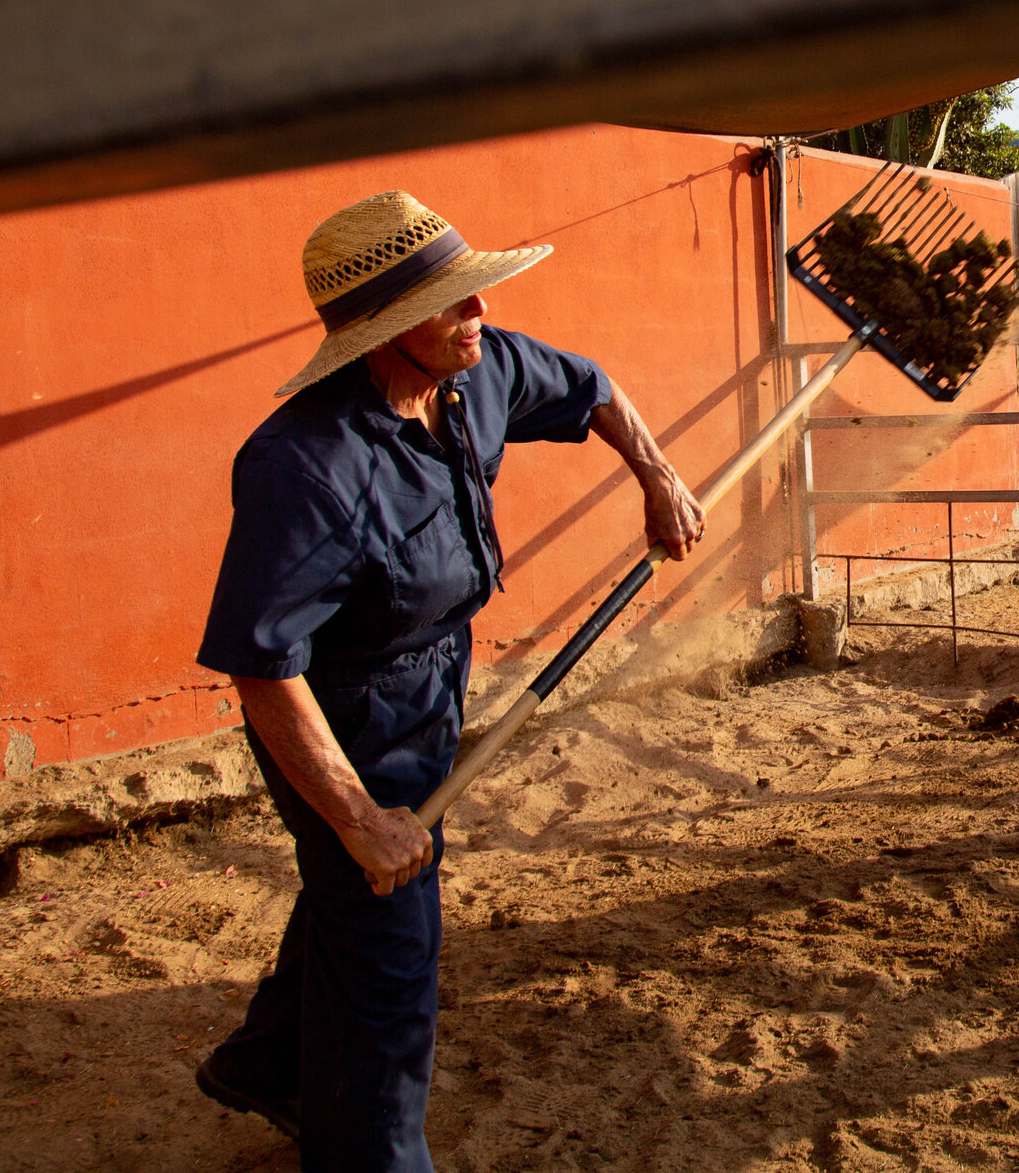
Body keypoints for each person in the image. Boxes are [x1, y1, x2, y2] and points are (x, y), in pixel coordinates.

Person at [192, 190, 702, 1171]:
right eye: (451, 303)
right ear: (383, 331)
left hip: (432, 687)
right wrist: (354, 811)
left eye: (475, 294)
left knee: (354, 897)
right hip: (339, 721)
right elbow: (262, 667)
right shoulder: (307, 465)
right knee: (390, 953)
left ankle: (263, 1063)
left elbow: (590, 384)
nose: (479, 314)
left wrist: (658, 475)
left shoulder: (479, 369)